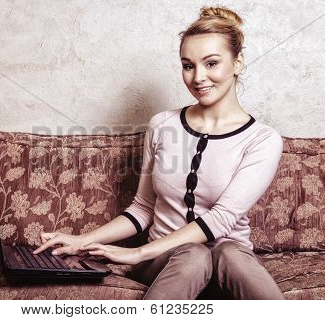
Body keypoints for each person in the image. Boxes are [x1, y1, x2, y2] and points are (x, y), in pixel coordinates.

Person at [33, 5, 285, 300]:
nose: (198, 77)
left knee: (229, 251)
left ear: (237, 62)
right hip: (167, 263)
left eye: (211, 63)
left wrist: (137, 252)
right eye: (188, 65)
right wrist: (81, 240)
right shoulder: (162, 125)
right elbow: (142, 209)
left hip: (228, 265)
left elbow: (221, 219)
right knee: (192, 254)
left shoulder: (263, 140)